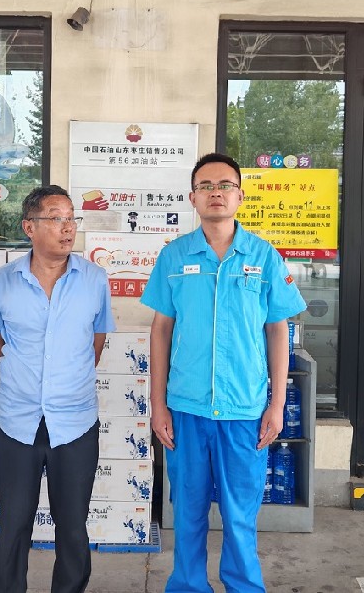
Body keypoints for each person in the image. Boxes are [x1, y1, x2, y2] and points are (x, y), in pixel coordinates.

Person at [141, 153, 306, 593]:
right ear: (192, 197)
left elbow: (278, 331)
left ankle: (243, 586)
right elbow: (160, 331)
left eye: (225, 185)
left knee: (240, 515)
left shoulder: (264, 257)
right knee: (188, 511)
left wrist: (276, 404)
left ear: (240, 195)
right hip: (186, 409)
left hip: (244, 411)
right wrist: (158, 405)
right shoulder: (174, 256)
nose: (216, 193)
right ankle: (188, 586)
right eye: (206, 186)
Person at [0, 185, 115, 593]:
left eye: (71, 218)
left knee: (72, 526)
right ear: (29, 227)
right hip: (15, 423)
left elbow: (95, 343)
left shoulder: (94, 280)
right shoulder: (3, 281)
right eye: (56, 218)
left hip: (74, 422)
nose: (68, 227)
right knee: (13, 524)